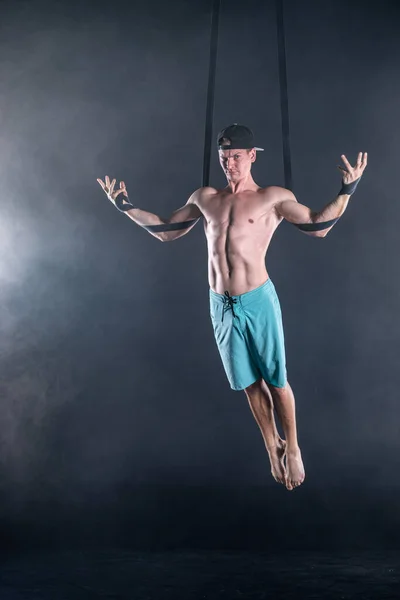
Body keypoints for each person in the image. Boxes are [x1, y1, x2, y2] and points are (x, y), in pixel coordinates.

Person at [97, 124, 367, 491]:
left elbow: (319, 226)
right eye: (224, 158)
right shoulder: (205, 197)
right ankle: (273, 448)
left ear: (252, 155)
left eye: (237, 157)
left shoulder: (272, 197)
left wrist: (347, 188)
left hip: (257, 299)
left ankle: (294, 448)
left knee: (276, 381)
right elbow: (164, 230)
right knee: (248, 384)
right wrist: (123, 205)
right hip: (219, 304)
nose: (230, 164)